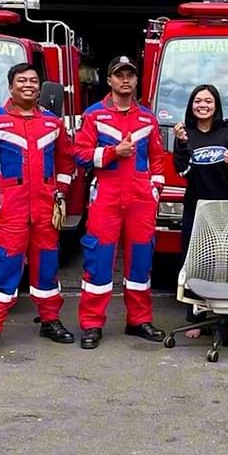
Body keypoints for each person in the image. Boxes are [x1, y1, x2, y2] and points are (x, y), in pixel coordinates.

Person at [0, 62, 75, 357]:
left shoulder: (52, 123)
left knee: (46, 268)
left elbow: (66, 161)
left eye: (33, 80)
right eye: (22, 81)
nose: (28, 85)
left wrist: (61, 190)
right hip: (10, 209)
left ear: (39, 88)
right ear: (11, 86)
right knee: (4, 269)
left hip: (45, 207)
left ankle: (50, 320)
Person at [74, 55, 166, 349]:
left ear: (136, 80)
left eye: (130, 75)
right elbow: (80, 154)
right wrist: (113, 152)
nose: (125, 80)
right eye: (119, 75)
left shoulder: (147, 118)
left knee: (141, 263)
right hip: (107, 198)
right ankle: (91, 324)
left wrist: (154, 190)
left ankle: (138, 320)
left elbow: (157, 160)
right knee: (98, 263)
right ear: (110, 80)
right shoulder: (94, 115)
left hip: (140, 201)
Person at [173, 84, 228, 338]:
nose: (203, 105)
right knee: (196, 265)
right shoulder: (186, 134)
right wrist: (182, 145)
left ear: (216, 105)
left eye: (208, 101)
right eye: (198, 101)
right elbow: (181, 171)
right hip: (196, 210)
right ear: (191, 106)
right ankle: (196, 318)